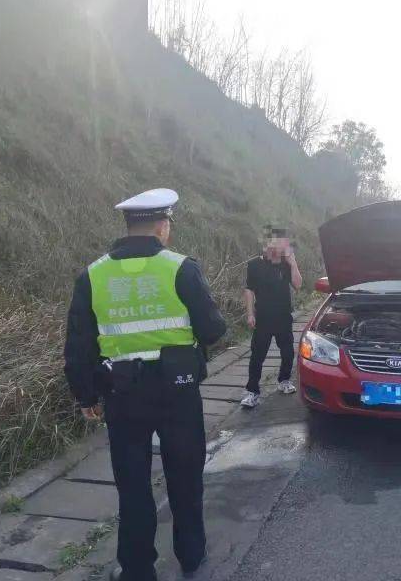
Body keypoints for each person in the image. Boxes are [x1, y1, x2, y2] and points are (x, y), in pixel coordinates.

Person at [64, 188, 226, 581]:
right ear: (161, 226)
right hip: (178, 391)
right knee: (185, 476)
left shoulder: (93, 274)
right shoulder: (182, 268)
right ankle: (191, 554)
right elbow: (213, 329)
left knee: (133, 485)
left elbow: (78, 343)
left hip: (123, 393)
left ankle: (137, 569)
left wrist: (85, 394)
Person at [240, 225, 303, 408]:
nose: (283, 247)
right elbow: (249, 290)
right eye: (279, 243)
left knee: (288, 352)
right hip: (263, 318)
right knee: (257, 356)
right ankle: (252, 391)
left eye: (285, 243)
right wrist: (250, 314)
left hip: (283, 317)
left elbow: (298, 285)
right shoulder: (254, 265)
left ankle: (284, 380)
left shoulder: (286, 263)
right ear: (268, 244)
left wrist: (293, 263)